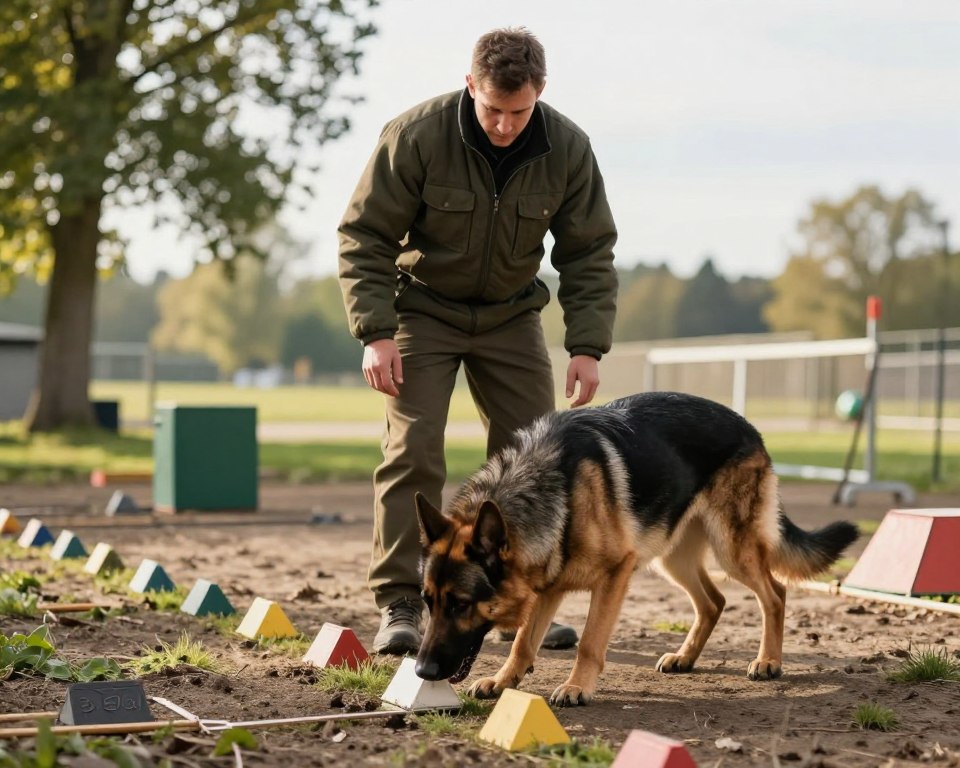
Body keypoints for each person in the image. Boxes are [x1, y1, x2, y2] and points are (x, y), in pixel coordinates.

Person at [338, 27, 618, 655]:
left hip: (511, 315)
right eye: (492, 108)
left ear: (539, 94)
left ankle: (524, 605)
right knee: (414, 448)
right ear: (471, 85)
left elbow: (588, 252)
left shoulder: (569, 149)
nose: (502, 125)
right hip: (423, 312)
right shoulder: (415, 135)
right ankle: (402, 603)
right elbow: (365, 237)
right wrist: (376, 332)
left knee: (533, 461)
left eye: (518, 112)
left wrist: (586, 345)